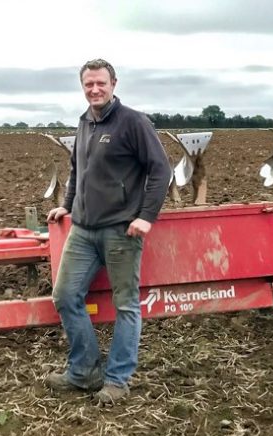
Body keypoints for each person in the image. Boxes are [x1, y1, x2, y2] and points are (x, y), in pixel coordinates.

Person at [45, 58, 172, 405]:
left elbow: (161, 170)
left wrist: (146, 216)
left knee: (126, 305)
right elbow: (77, 169)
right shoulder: (84, 123)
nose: (95, 89)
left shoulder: (133, 122)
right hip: (83, 231)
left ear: (114, 83)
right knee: (66, 296)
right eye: (89, 84)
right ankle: (84, 370)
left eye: (101, 83)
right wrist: (68, 205)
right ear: (82, 87)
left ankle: (117, 379)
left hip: (121, 232)